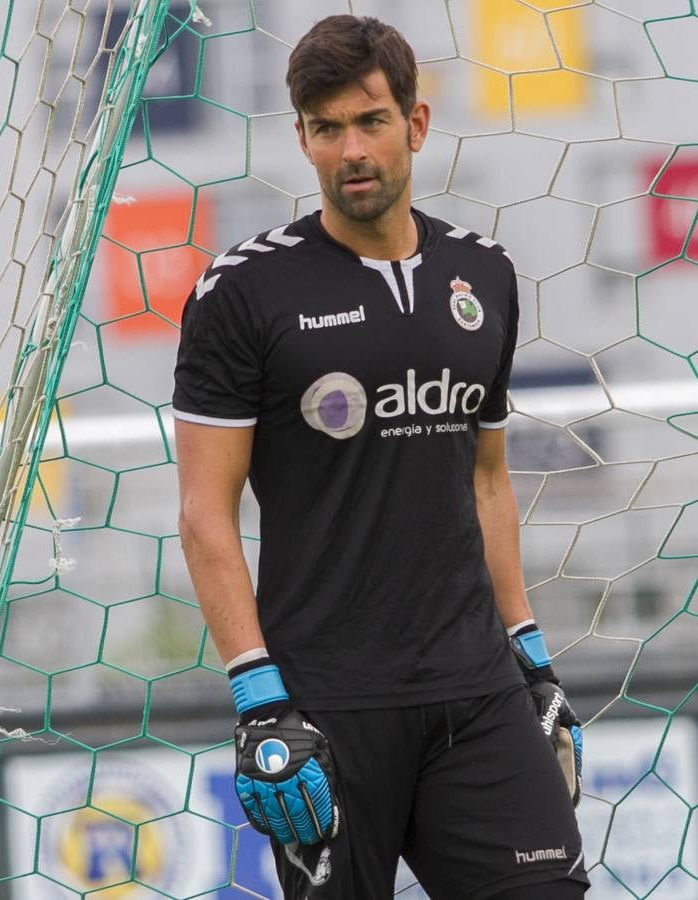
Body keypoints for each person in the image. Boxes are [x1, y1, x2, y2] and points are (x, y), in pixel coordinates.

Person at [172, 15, 587, 900]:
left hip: (476, 688)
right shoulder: (242, 291)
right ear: (303, 139)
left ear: (417, 124)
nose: (351, 149)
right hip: (326, 707)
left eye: (370, 122)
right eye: (327, 128)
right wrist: (258, 698)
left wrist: (532, 655)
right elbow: (206, 514)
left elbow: (485, 478)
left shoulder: (487, 275)